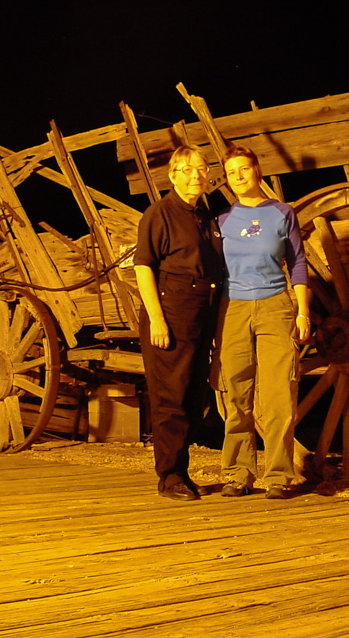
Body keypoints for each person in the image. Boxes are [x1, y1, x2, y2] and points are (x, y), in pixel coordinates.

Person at [212, 144, 310, 500]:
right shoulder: (222, 220)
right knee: (235, 391)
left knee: (278, 392)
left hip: (275, 305)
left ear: (257, 171)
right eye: (231, 172)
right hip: (233, 307)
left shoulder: (282, 214)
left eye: (244, 169)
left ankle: (279, 475)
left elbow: (298, 263)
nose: (238, 176)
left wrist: (303, 310)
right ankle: (238, 473)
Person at [134, 145, 224, 501]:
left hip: (202, 309)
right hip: (172, 310)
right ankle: (168, 476)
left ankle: (181, 472)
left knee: (192, 394)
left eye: (200, 170)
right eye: (187, 170)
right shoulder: (160, 213)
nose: (195, 176)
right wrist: (157, 318)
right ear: (172, 175)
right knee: (170, 394)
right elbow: (143, 266)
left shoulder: (204, 215)